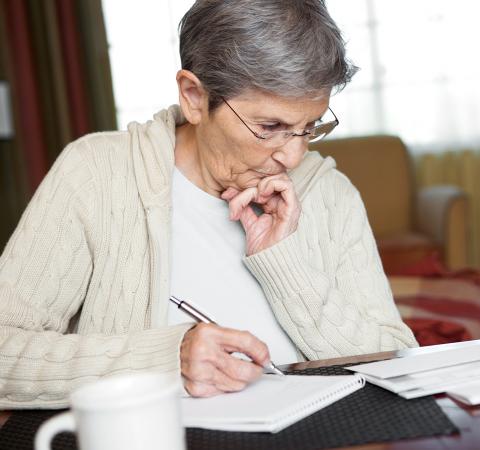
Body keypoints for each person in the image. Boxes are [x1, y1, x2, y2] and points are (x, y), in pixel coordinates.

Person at [0, 0, 417, 408]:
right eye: (270, 127)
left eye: (309, 128)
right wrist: (164, 361)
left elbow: (398, 360)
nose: (292, 157)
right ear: (194, 97)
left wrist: (285, 262)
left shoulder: (330, 194)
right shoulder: (95, 174)